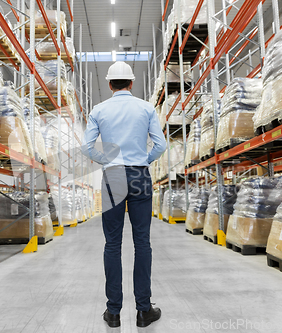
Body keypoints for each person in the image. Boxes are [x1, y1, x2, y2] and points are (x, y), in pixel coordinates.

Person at [81, 61, 166, 328]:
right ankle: (143, 310)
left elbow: (86, 146)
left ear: (109, 85)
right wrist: (144, 160)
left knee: (112, 244)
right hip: (139, 174)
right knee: (142, 243)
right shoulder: (146, 108)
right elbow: (160, 144)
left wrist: (105, 159)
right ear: (131, 83)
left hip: (113, 175)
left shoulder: (99, 110)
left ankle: (113, 312)